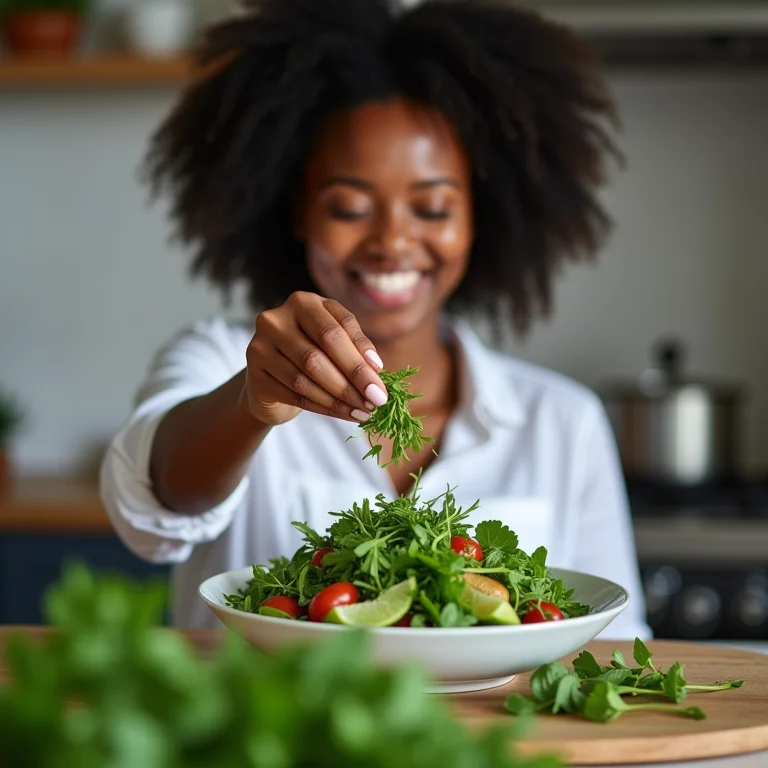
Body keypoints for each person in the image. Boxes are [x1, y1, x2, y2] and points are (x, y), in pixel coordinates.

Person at [100, 0, 651, 638]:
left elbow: (613, 643)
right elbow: (154, 508)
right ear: (299, 211)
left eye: (433, 208)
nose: (392, 240)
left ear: (480, 217)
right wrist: (251, 400)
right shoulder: (220, 359)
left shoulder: (564, 422)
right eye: (350, 207)